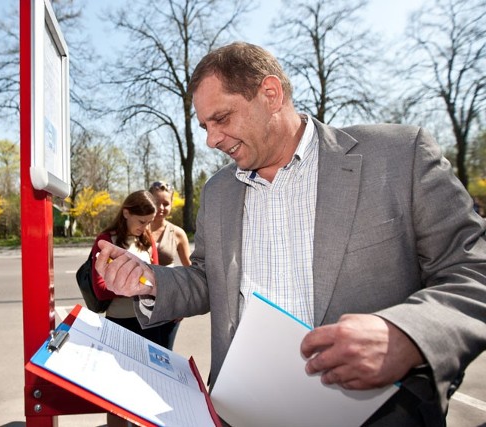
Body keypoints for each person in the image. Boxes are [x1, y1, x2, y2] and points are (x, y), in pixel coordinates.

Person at [95, 42, 486, 426]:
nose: (211, 139)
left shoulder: (401, 155)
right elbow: (207, 278)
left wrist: (408, 335)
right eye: (204, 126)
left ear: (270, 93)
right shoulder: (218, 191)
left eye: (222, 119)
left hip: (376, 412)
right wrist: (149, 281)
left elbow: (472, 271)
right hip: (241, 410)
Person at [91, 190, 177, 349]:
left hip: (150, 322)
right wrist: (136, 286)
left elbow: (156, 279)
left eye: (149, 222)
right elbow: (100, 290)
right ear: (126, 213)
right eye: (142, 221)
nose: (145, 227)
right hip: (120, 321)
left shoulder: (147, 239)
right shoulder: (106, 240)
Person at [148, 181, 191, 349]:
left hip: (169, 304)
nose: (161, 207)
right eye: (156, 202)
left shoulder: (178, 234)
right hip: (139, 304)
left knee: (164, 354)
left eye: (165, 203)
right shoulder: (139, 227)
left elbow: (191, 270)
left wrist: (184, 304)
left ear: (171, 204)